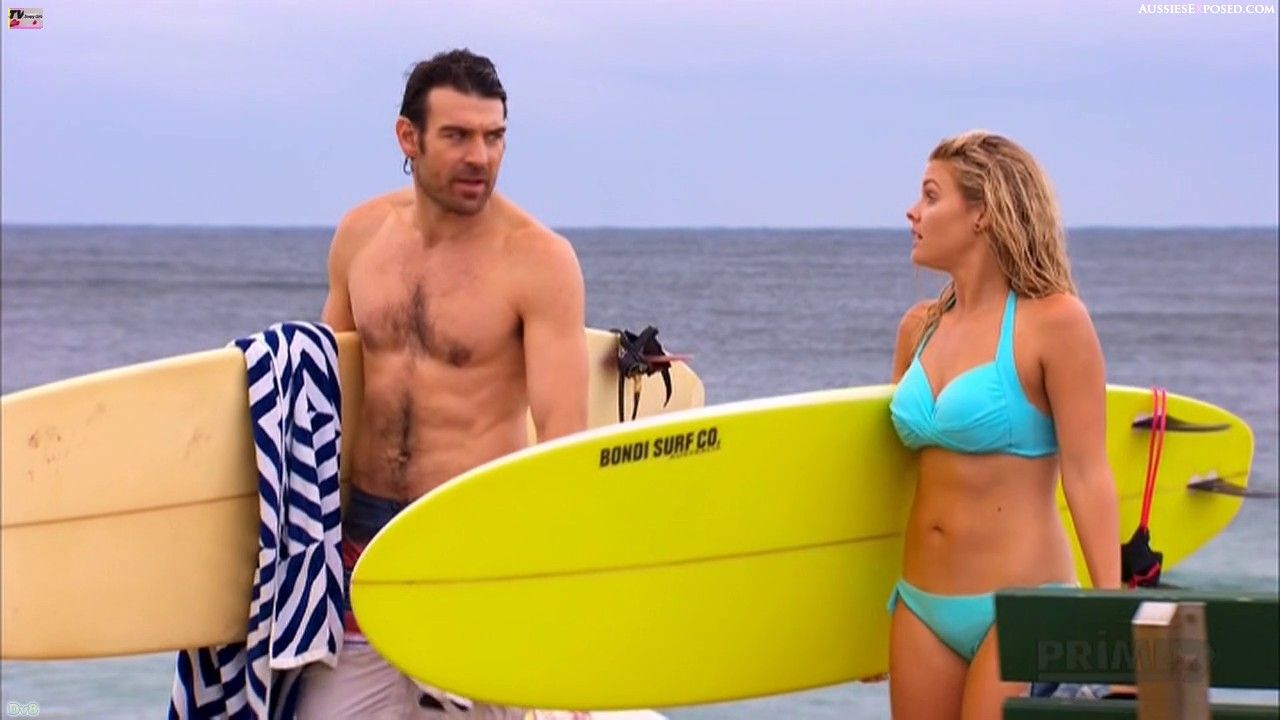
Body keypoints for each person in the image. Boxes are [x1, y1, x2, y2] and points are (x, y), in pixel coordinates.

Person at [303, 48, 590, 719]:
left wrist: (566, 616)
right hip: (364, 539)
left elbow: (563, 440)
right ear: (409, 137)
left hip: (475, 543)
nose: (480, 158)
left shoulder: (538, 260)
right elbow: (324, 392)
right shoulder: (360, 236)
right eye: (458, 136)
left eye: (494, 138)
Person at [886, 130, 1121, 719]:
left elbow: (1088, 475)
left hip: (1020, 607)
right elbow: (894, 479)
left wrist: (1114, 621)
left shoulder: (1055, 322)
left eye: (931, 196)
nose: (912, 212)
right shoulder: (918, 328)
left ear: (982, 213)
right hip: (920, 607)